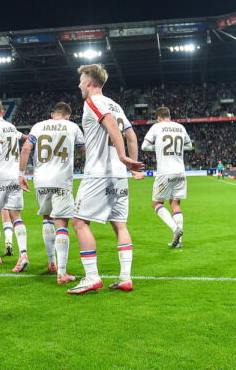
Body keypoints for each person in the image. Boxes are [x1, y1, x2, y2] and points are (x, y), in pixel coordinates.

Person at [68, 64, 144, 295]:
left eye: (81, 80)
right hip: (119, 176)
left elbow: (111, 125)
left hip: (99, 174)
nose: (79, 85)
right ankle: (125, 278)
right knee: (120, 225)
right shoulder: (115, 105)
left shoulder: (93, 101)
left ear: (89, 81)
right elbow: (131, 135)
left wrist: (122, 157)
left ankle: (92, 277)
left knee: (79, 222)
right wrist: (132, 166)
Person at [19, 101, 85, 283]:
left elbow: (26, 148)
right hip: (61, 180)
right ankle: (62, 273)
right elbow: (82, 149)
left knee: (47, 218)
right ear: (68, 116)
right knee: (61, 223)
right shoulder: (72, 127)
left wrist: (21, 174)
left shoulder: (38, 126)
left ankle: (51, 262)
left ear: (52, 114)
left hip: (41, 180)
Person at [0, 100, 30, 271]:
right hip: (14, 176)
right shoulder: (11, 126)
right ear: (2, 112)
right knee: (16, 216)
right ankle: (23, 253)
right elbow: (25, 138)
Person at [141, 106, 193, 248]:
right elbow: (189, 146)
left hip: (165, 172)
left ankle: (175, 229)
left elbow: (144, 146)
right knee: (175, 204)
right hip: (180, 172)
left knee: (156, 203)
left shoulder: (156, 127)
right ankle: (179, 241)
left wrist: (157, 147)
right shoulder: (180, 127)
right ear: (169, 116)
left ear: (158, 117)